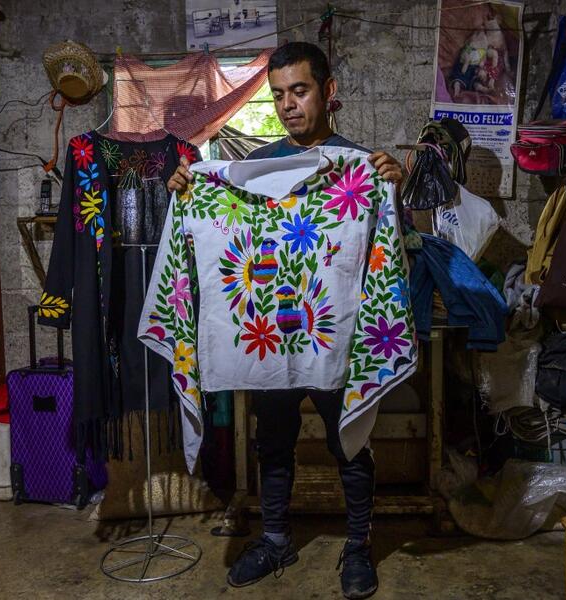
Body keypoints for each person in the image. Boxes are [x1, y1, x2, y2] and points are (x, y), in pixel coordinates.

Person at [167, 41, 403, 600]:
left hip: (333, 334)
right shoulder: (256, 170)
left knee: (349, 440)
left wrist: (395, 189)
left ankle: (358, 547)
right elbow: (222, 224)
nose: (288, 105)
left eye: (299, 91)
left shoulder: (360, 166)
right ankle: (276, 539)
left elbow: (389, 245)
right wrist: (186, 189)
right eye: (278, 95)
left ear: (329, 91)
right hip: (269, 335)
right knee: (272, 439)